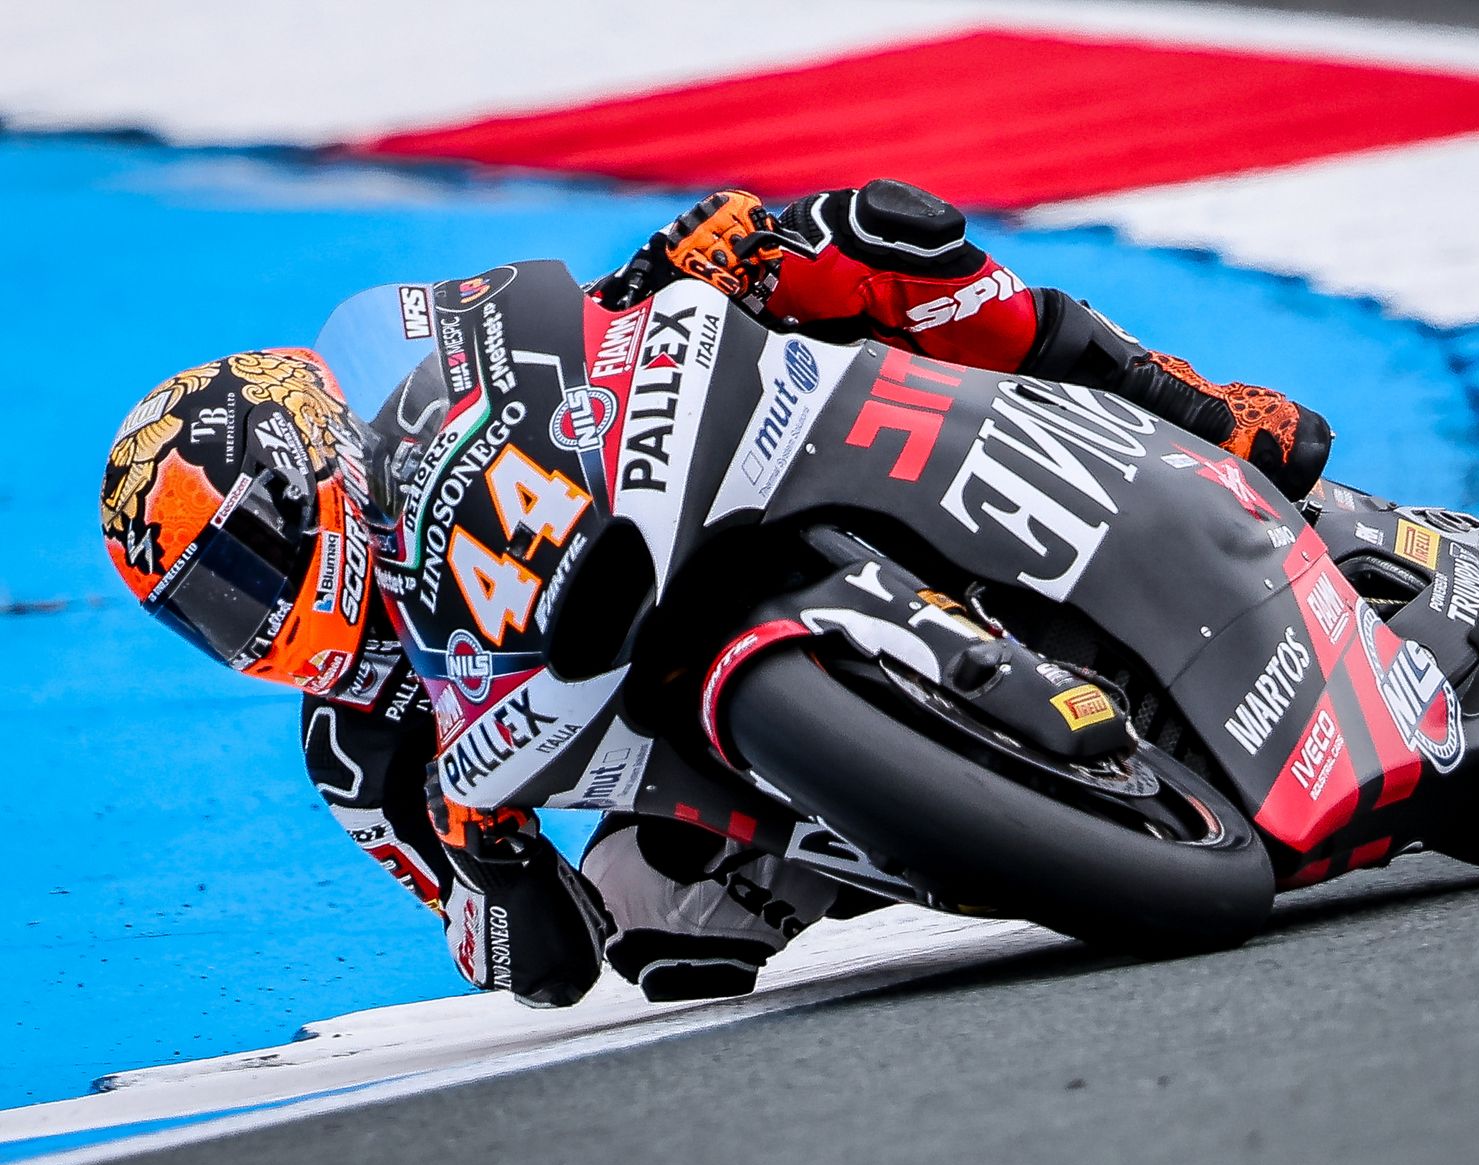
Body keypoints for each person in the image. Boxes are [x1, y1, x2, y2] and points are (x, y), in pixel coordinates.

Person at [99, 180, 1333, 1008]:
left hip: (691, 502)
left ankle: (1188, 405)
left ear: (313, 456)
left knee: (857, 234)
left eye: (246, 562)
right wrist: (488, 861)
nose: (247, 616)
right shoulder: (354, 752)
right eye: (206, 611)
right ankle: (975, 810)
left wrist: (672, 268)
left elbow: (566, 336)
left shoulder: (429, 403)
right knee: (656, 930)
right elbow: (530, 965)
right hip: (701, 762)